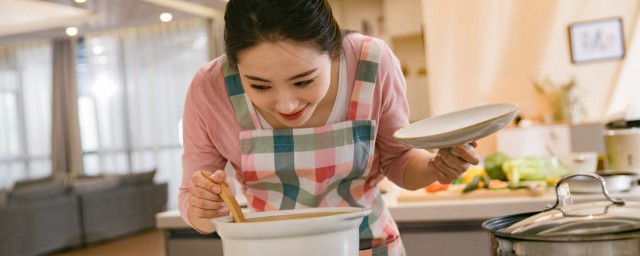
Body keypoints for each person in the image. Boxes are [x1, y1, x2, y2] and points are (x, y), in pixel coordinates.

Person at [179, 0, 480, 255]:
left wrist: (435, 167)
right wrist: (204, 207)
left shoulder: (370, 63)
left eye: (303, 81)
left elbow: (399, 160)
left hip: (364, 245)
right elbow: (193, 204)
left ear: (334, 50)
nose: (286, 105)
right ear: (234, 65)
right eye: (259, 85)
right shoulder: (210, 89)